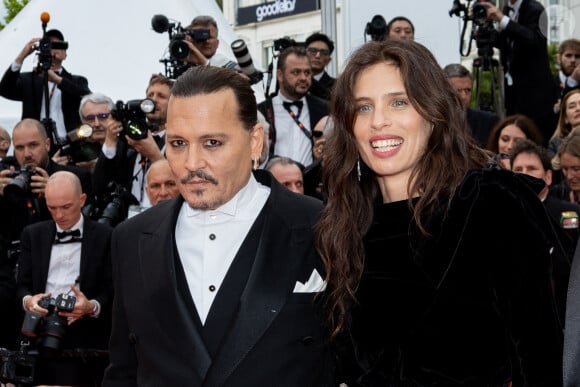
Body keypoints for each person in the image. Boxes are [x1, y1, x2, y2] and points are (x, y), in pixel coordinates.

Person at [315, 39, 563, 386]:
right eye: (363, 107)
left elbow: (545, 354)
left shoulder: (488, 204)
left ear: (434, 114)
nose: (379, 122)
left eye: (399, 102)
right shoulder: (345, 226)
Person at [102, 65, 335, 386]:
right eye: (178, 143)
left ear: (255, 142)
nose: (192, 162)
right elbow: (123, 372)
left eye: (212, 142)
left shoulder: (320, 226)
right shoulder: (130, 239)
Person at [17, 171, 112, 386]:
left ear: (82, 200)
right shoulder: (32, 234)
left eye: (66, 207)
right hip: (38, 329)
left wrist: (91, 306)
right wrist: (29, 301)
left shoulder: (106, 235)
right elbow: (21, 285)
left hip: (85, 334)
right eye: (52, 208)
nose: (59, 215)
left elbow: (111, 290)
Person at [0, 119, 92, 260]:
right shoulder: (6, 177)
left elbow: (87, 226)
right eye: (19, 148)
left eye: (33, 145)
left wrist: (55, 193)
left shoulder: (75, 177)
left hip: (62, 258)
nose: (27, 154)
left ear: (47, 144)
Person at [509, 139, 577, 322]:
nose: (524, 175)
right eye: (518, 170)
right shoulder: (500, 217)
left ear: (548, 176)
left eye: (532, 168)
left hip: (567, 319)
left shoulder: (572, 214)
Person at [0, 29, 91, 150]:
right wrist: (21, 57)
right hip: (36, 145)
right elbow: (5, 90)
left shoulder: (76, 80)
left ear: (65, 55)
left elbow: (87, 98)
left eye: (58, 45)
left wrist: (57, 80)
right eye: (49, 45)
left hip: (71, 143)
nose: (53, 50)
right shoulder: (29, 79)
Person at [92, 74, 171, 212]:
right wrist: (110, 141)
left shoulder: (180, 141)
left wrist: (154, 156)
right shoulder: (129, 139)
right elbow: (99, 185)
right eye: (150, 95)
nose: (153, 100)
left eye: (161, 96)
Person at [482, 0, 555, 144]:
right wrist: (484, 28)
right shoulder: (507, 10)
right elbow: (509, 44)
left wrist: (503, 20)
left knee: (536, 141)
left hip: (536, 96)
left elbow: (534, 39)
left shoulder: (535, 9)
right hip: (514, 92)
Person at [257, 46, 328, 167]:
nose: (303, 78)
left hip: (312, 183)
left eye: (307, 72)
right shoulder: (261, 112)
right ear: (280, 75)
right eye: (296, 72)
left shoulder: (324, 109)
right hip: (273, 183)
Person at [443, 63, 500, 148]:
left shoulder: (488, 122)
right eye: (458, 91)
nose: (463, 96)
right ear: (443, 91)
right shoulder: (432, 122)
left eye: (467, 90)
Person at [548, 89, 580, 158]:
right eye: (572, 106)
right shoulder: (555, 144)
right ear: (565, 118)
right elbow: (554, 167)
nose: (578, 108)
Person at [305, 32, 336, 101]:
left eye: (323, 53)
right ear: (304, 54)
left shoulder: (337, 86)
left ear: (329, 60)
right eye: (313, 51)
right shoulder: (295, 81)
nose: (317, 56)